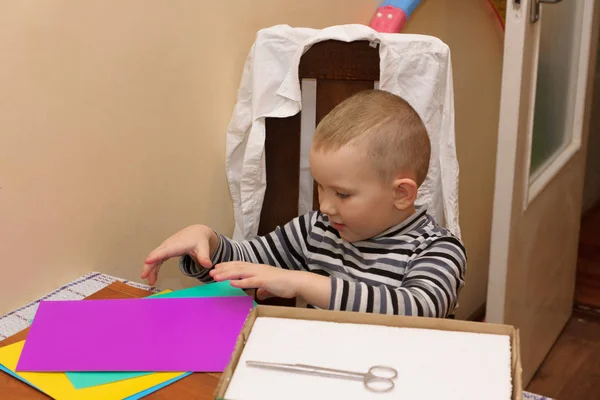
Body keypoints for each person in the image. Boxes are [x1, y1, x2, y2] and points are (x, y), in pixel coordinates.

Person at [141, 89, 466, 317]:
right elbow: (249, 262)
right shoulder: (318, 229)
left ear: (401, 194)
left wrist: (302, 282)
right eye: (320, 188)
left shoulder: (437, 249)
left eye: (342, 194)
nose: (324, 206)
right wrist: (205, 243)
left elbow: (418, 309)